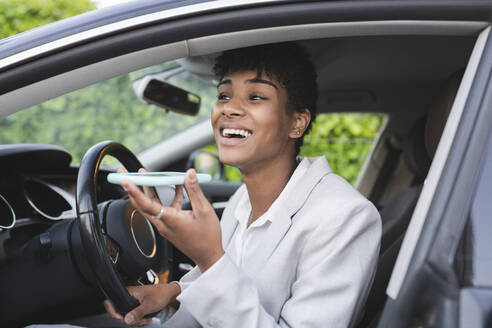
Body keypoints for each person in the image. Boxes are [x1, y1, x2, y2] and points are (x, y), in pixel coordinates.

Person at [105, 42, 382, 328]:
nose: (230, 108)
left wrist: (209, 257)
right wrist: (173, 294)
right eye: (224, 95)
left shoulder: (345, 218)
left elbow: (221, 277)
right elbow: (229, 286)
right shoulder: (242, 199)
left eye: (256, 96)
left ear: (297, 123)